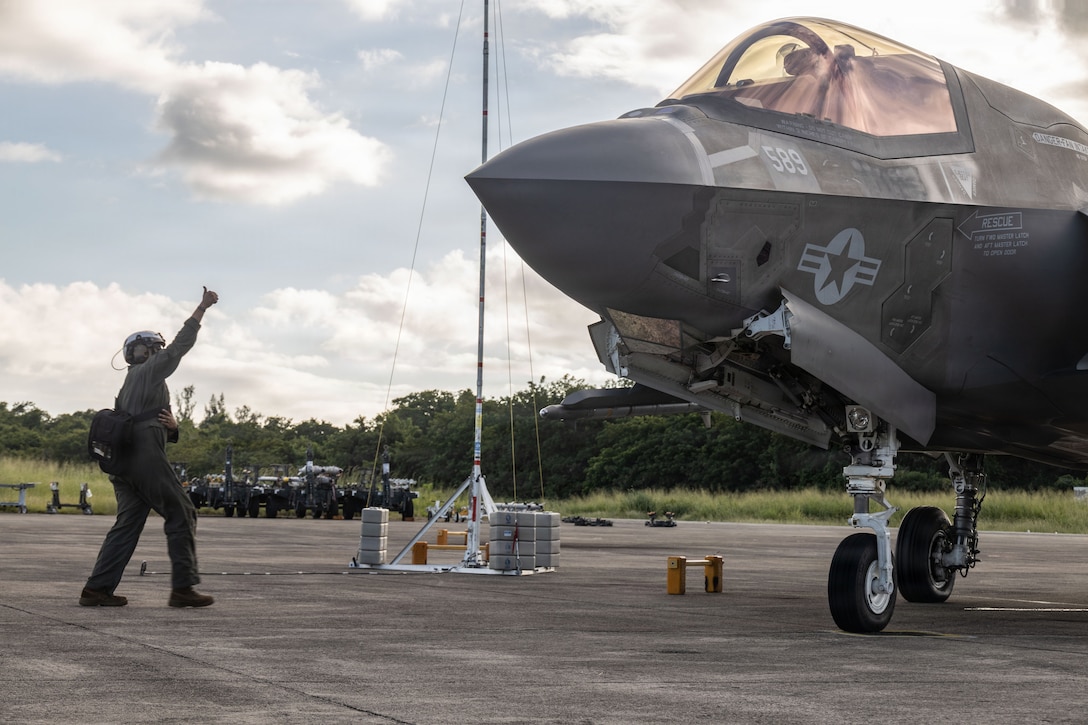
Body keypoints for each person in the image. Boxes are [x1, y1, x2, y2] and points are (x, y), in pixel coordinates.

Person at [80, 287, 220, 608]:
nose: (159, 351)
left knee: (127, 524)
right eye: (153, 347)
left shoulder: (132, 381)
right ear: (140, 353)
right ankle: (183, 588)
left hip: (123, 464)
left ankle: (97, 589)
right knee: (182, 512)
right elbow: (181, 346)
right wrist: (201, 308)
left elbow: (147, 420)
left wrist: (174, 429)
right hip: (144, 459)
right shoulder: (148, 372)